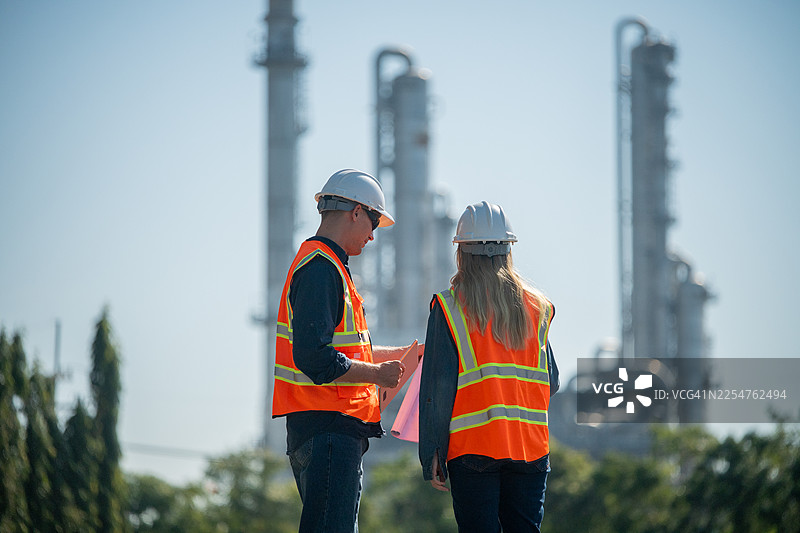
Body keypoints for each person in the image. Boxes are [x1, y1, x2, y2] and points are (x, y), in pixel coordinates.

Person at [272, 169, 412, 532]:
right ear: (355, 211)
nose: (373, 234)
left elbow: (341, 348)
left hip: (323, 430)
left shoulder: (326, 265)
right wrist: (378, 376)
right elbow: (315, 357)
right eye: (374, 221)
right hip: (329, 430)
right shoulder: (321, 268)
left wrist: (397, 354)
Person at [418, 201, 560, 533]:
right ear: (508, 250)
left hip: (473, 449)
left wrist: (432, 454)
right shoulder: (537, 308)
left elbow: (437, 389)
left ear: (461, 253)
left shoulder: (449, 306)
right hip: (529, 448)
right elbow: (550, 380)